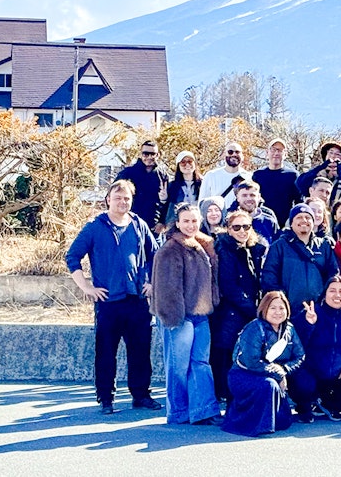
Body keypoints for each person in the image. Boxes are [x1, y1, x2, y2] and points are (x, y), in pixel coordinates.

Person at [65, 180, 161, 415]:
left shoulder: (139, 225)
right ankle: (106, 398)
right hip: (108, 302)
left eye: (127, 198)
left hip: (137, 300)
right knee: (106, 352)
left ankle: (141, 395)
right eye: (117, 198)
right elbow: (72, 258)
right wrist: (87, 287)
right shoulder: (95, 227)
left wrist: (152, 282)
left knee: (140, 351)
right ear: (108, 199)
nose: (122, 202)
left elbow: (156, 254)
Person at [150, 203, 222, 425]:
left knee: (201, 363)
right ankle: (179, 412)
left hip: (201, 314)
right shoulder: (171, 249)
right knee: (178, 366)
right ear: (178, 223)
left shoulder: (203, 245)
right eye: (186, 221)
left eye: (194, 220)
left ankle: (204, 410)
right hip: (179, 317)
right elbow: (166, 287)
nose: (191, 225)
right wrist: (173, 317)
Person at [288, 276, 341, 421]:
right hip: (312, 372)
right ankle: (305, 405)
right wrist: (309, 324)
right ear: (325, 293)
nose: (337, 295)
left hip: (338, 374)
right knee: (302, 381)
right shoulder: (312, 313)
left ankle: (331, 405)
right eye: (332, 290)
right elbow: (296, 344)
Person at [222, 291, 305, 436]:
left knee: (283, 418)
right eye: (273, 308)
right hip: (244, 375)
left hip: (271, 374)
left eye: (281, 308)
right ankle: (256, 425)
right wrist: (278, 375)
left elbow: (300, 355)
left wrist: (284, 369)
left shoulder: (289, 329)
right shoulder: (254, 328)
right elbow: (251, 362)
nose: (278, 312)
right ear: (264, 308)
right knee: (269, 385)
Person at [210, 208, 268, 406]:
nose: (242, 231)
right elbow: (230, 287)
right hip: (230, 312)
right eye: (237, 227)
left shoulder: (256, 248)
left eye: (246, 226)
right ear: (228, 229)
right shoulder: (224, 249)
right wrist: (254, 310)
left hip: (248, 308)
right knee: (226, 354)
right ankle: (226, 396)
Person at [261, 203, 338, 316]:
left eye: (307, 217)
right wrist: (282, 300)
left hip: (319, 310)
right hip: (289, 311)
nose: (304, 220)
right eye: (299, 217)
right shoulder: (279, 246)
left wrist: (324, 300)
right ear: (291, 223)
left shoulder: (324, 246)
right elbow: (269, 277)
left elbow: (333, 274)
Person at [116, 140, 170, 233]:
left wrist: (162, 222)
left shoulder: (163, 176)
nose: (149, 157)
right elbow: (113, 196)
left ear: (158, 155)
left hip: (154, 228)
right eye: (146, 154)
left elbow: (168, 203)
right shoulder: (128, 173)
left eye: (153, 154)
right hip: (130, 226)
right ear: (141, 154)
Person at [252, 139, 300, 227]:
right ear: (267, 152)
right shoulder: (258, 175)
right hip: (263, 222)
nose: (276, 153)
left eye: (280, 150)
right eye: (273, 149)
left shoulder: (293, 175)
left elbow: (299, 201)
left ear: (285, 154)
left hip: (285, 224)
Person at [295, 140, 341, 207]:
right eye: (331, 153)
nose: (333, 156)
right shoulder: (316, 173)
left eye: (337, 154)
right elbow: (300, 183)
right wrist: (321, 168)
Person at [199, 142, 252, 209]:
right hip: (217, 217)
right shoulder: (211, 176)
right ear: (224, 155)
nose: (234, 154)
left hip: (240, 217)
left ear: (242, 156)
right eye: (230, 152)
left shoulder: (249, 177)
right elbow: (202, 203)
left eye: (237, 152)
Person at [230, 180, 279, 245]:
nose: (248, 199)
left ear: (259, 197)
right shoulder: (230, 220)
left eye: (252, 195)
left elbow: (277, 246)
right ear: (237, 197)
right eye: (244, 195)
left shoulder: (269, 221)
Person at [164, 151, 201, 226]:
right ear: (178, 166)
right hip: (178, 226)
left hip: (199, 224)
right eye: (183, 162)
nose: (187, 164)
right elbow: (167, 208)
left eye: (190, 161)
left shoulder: (203, 184)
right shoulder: (172, 186)